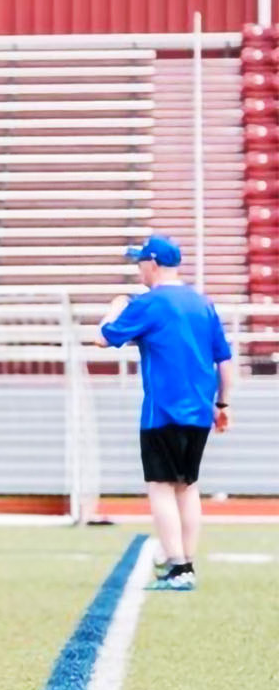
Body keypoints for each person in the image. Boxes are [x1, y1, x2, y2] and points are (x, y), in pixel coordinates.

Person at [98, 235, 234, 592]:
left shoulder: (150, 303)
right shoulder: (203, 303)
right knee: (187, 487)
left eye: (140, 262)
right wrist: (222, 404)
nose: (139, 269)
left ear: (153, 264)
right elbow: (225, 360)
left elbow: (104, 337)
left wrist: (116, 305)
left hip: (163, 412)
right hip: (199, 412)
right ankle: (186, 563)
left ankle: (178, 565)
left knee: (160, 486)